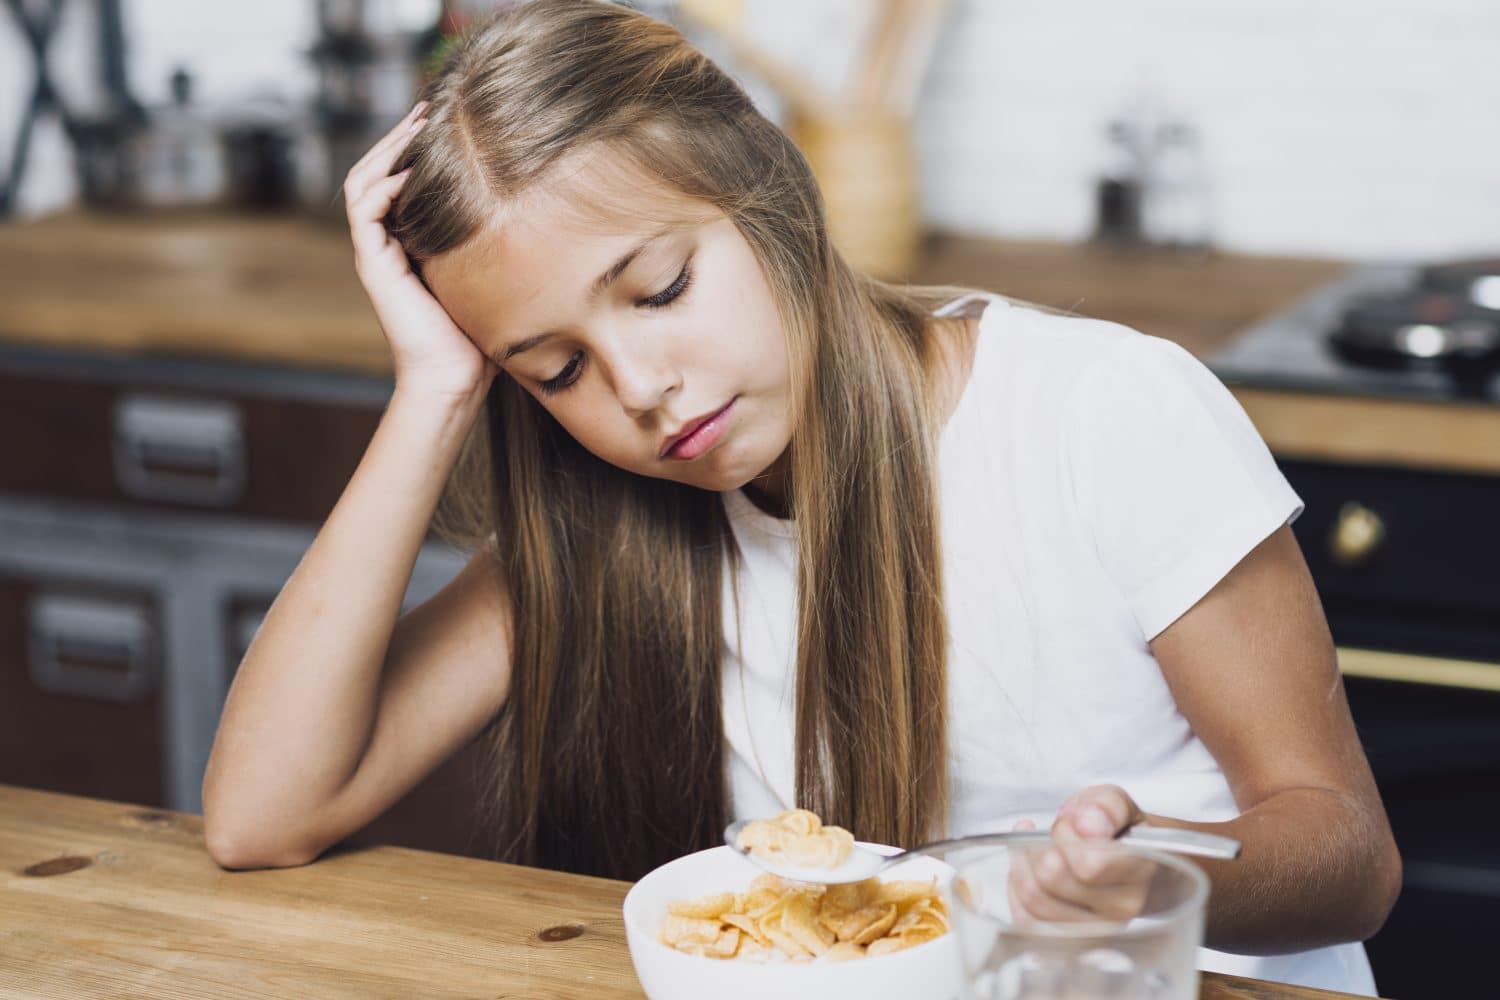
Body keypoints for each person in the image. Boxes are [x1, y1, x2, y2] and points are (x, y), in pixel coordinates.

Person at [200, 1, 1399, 993]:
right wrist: (433, 390)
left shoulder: (1103, 415)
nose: (642, 390)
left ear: (772, 194)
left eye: (661, 286)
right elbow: (261, 814)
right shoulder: (597, 524)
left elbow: (1348, 852)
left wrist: (1148, 885)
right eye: (555, 368)